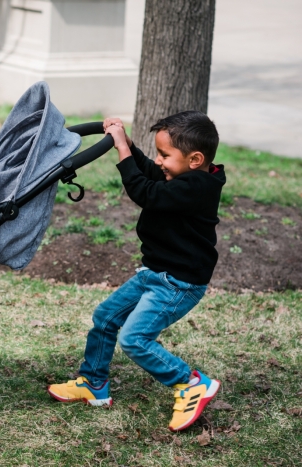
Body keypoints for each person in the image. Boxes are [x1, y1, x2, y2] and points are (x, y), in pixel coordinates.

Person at [48, 111, 226, 432]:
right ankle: (93, 383)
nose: (159, 161)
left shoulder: (198, 186)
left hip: (178, 282)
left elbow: (145, 192)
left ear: (195, 159)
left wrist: (122, 151)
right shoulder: (181, 175)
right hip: (154, 272)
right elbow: (150, 173)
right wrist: (128, 142)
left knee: (135, 339)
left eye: (165, 155)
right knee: (106, 317)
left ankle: (189, 383)